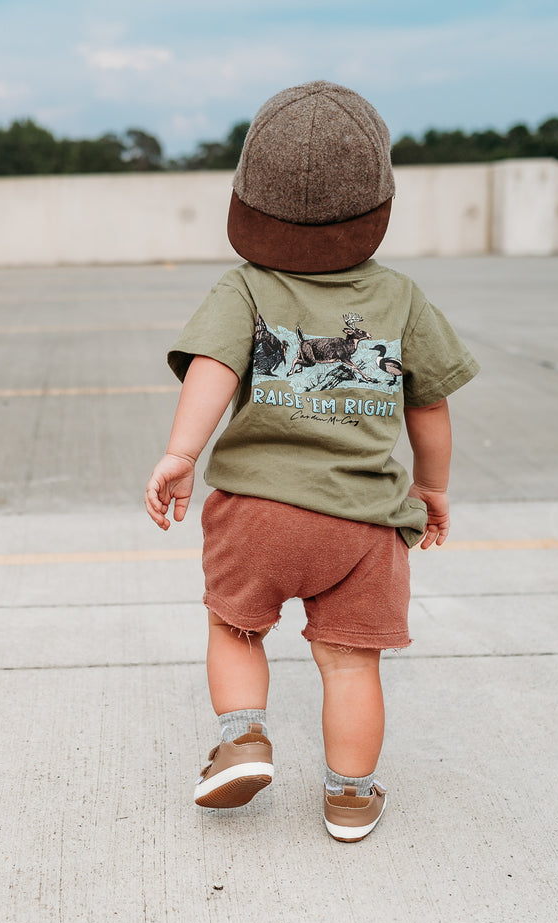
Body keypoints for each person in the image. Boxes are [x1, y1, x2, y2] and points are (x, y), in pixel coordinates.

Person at [144, 81, 480, 842]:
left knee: (236, 630)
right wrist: (431, 487)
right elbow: (430, 406)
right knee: (352, 664)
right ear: (378, 206)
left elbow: (213, 369)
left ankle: (242, 737)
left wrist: (179, 453)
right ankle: (350, 796)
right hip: (362, 527)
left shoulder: (245, 289)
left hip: (257, 512)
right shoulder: (401, 299)